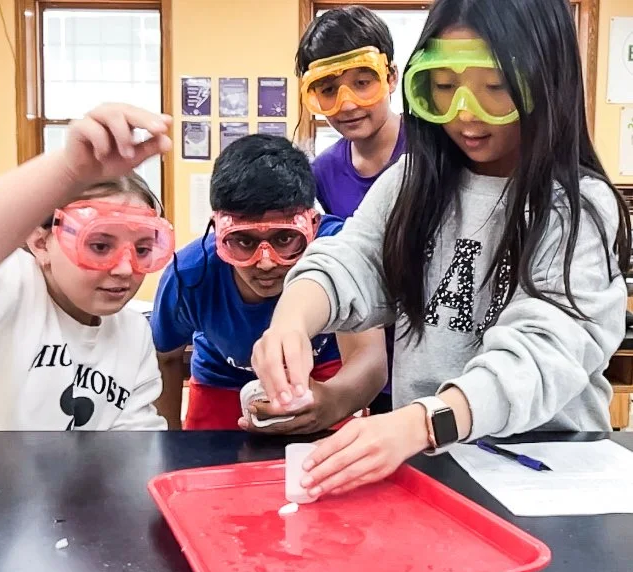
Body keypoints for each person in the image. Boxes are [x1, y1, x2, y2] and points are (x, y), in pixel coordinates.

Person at [251, 0, 631, 498]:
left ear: (545, 84)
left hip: (547, 474)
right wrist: (293, 320)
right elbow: (353, 259)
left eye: (495, 89)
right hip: (432, 466)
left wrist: (420, 424)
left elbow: (542, 355)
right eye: (445, 88)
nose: (465, 115)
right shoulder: (412, 181)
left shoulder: (579, 206)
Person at [150, 134, 386, 431]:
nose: (266, 261)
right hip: (222, 380)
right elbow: (166, 358)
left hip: (324, 373)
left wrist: (333, 403)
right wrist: (169, 440)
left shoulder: (339, 251)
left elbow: (369, 358)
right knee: (202, 464)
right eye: (244, 240)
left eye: (284, 238)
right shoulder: (189, 274)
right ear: (218, 231)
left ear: (313, 227)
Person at [0, 103, 174, 430]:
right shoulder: (11, 287)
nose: (125, 269)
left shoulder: (133, 333)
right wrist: (68, 169)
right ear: (42, 242)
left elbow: (135, 446)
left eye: (143, 249)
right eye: (99, 246)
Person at [297, 5, 406, 413]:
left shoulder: (433, 154)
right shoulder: (322, 173)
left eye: (363, 83)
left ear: (390, 77)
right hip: (368, 368)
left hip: (440, 360)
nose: (346, 104)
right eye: (328, 90)